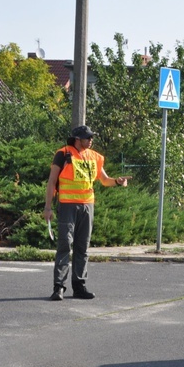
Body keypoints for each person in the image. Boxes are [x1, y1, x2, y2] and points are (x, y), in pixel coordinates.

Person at [44, 125, 131, 301]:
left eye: (91, 137)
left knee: (82, 247)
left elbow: (105, 180)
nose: (91, 140)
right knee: (64, 245)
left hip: (87, 206)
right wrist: (48, 207)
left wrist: (117, 181)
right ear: (77, 139)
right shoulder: (63, 154)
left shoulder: (94, 157)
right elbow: (52, 181)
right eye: (87, 137)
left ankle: (79, 286)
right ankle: (59, 287)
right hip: (67, 205)